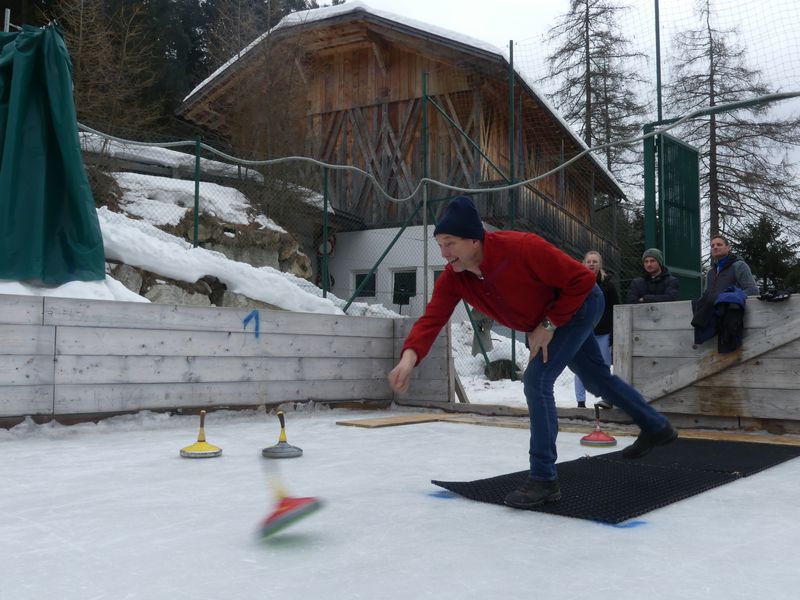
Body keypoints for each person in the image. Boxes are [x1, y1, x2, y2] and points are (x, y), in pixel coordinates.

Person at [387, 196, 677, 509]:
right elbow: (432, 318)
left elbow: (582, 280)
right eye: (440, 245)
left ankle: (543, 479)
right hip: (548, 318)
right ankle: (655, 425)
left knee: (537, 380)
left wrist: (549, 324)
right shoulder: (454, 278)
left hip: (581, 302)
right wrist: (408, 358)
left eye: (450, 244)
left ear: (474, 240)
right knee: (595, 379)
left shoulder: (522, 247)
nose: (444, 253)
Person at [574, 251, 619, 408]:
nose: (591, 264)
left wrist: (613, 332)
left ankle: (607, 398)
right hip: (582, 333)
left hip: (603, 333)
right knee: (580, 366)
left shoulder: (608, 286)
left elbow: (615, 309)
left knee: (604, 366)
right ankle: (580, 402)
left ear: (600, 265)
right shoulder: (577, 283)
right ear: (584, 263)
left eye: (595, 262)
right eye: (589, 261)